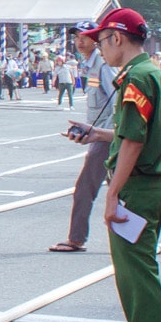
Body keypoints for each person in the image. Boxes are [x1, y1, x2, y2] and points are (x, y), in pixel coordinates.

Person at [85, 8, 161, 322]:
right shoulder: (152, 73)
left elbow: (134, 141)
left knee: (137, 282)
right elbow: (131, 134)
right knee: (141, 277)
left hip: (137, 190)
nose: (100, 48)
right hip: (149, 186)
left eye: (102, 39)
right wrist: (98, 135)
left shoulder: (137, 79)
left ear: (117, 38)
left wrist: (111, 195)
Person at [51, 24, 121, 253]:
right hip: (100, 134)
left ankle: (76, 239)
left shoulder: (103, 65)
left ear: (97, 40)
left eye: (86, 37)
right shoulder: (91, 65)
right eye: (77, 38)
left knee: (85, 188)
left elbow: (116, 104)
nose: (80, 42)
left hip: (106, 138)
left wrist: (105, 134)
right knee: (119, 189)